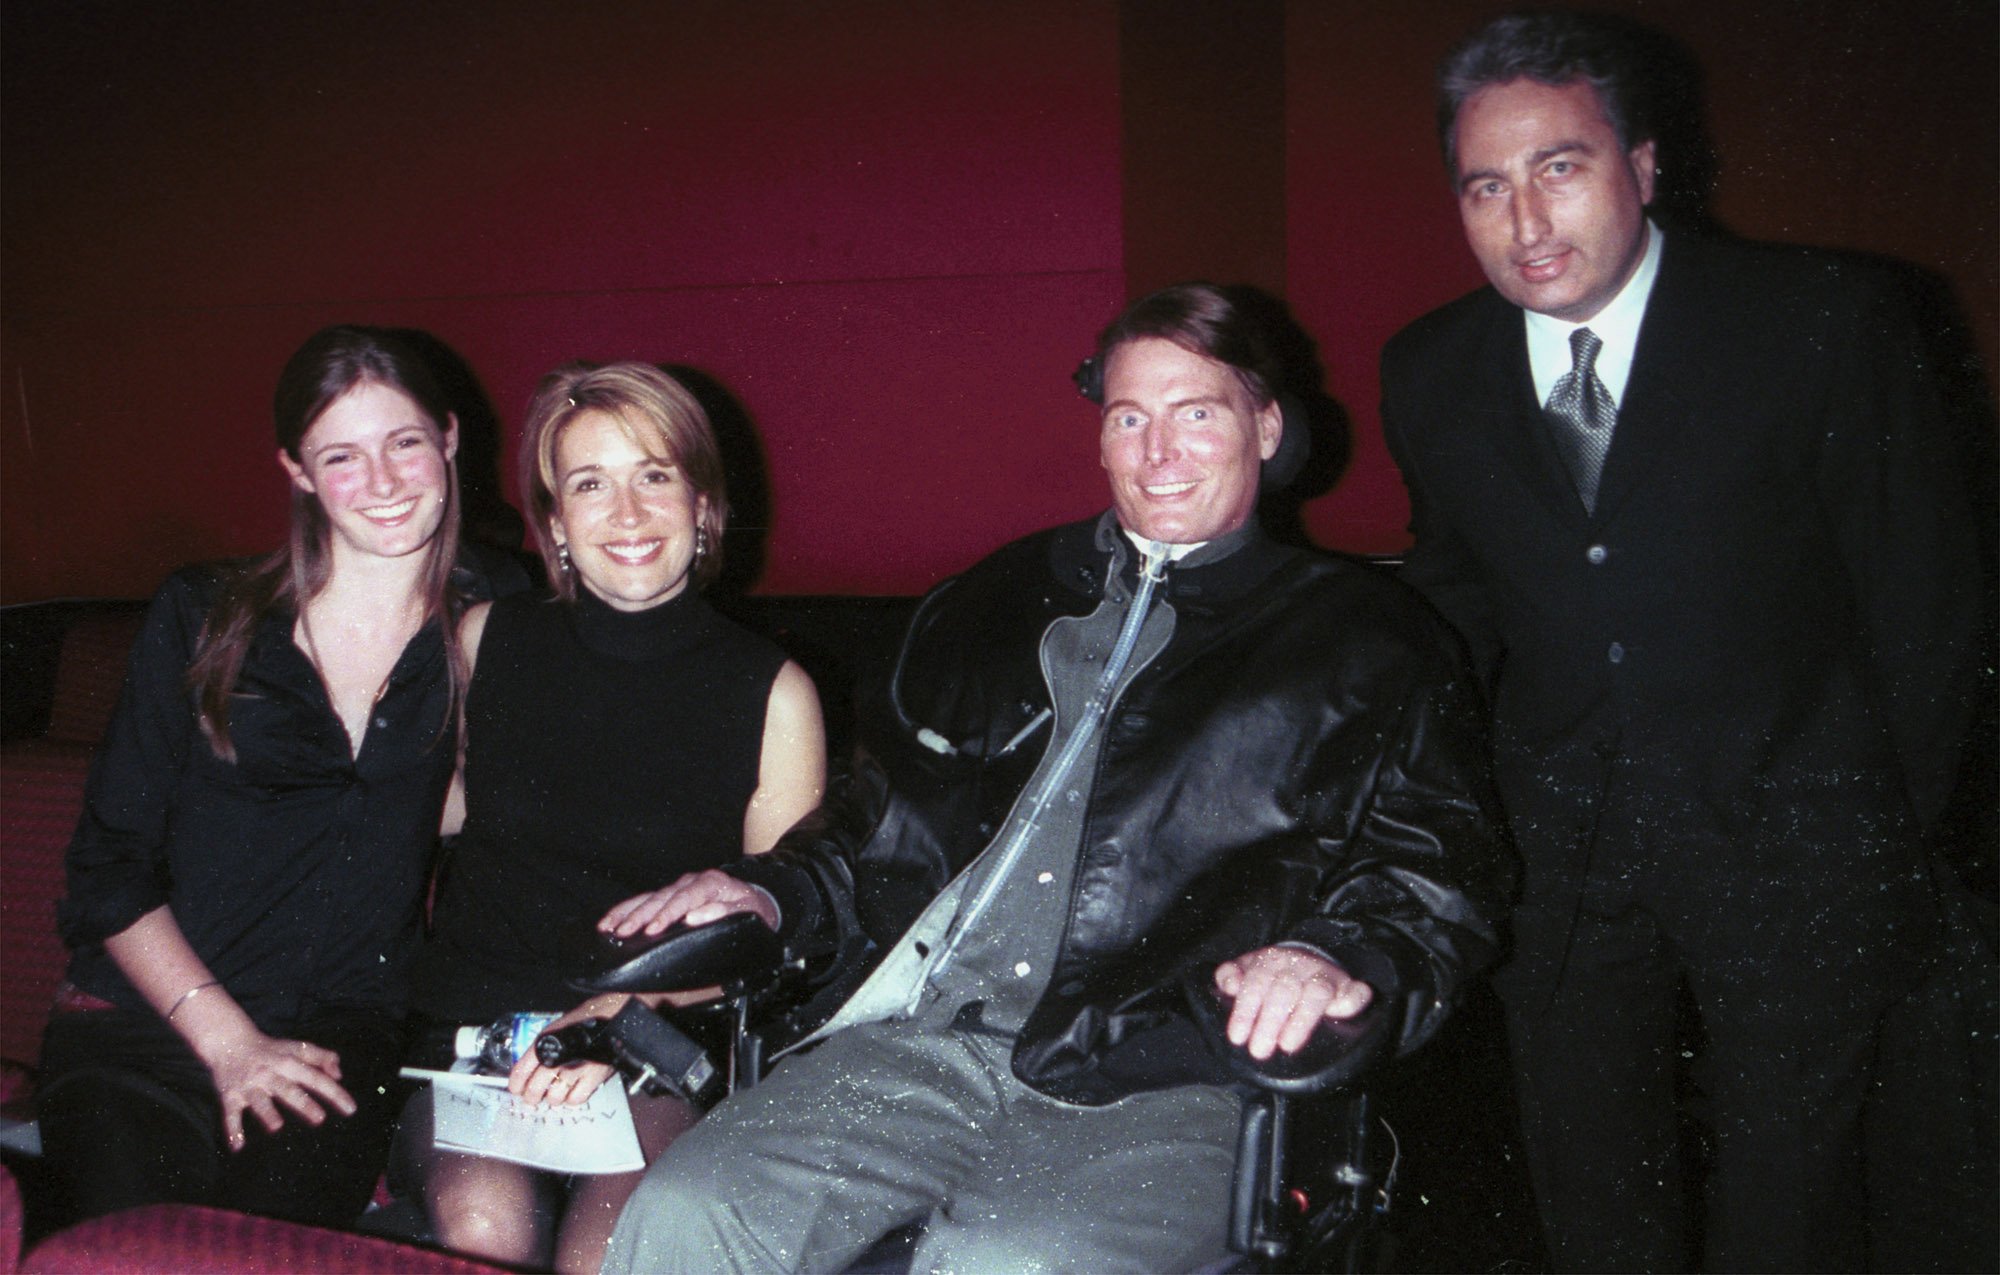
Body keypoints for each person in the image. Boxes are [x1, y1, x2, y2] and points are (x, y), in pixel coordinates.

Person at [599, 283, 1514, 1274]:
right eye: (1129, 418)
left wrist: (1335, 953)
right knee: (688, 1208)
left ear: (1264, 426)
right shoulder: (991, 604)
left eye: (1195, 414)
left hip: (1174, 1071)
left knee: (1006, 1261)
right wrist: (765, 887)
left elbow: (1438, 871)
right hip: (922, 1042)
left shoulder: (1366, 640)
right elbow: (872, 825)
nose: (1158, 451)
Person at [1378, 12, 1986, 1271]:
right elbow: (1454, 610)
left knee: (1794, 1187)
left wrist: (1885, 837)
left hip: (1799, 841)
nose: (1525, 221)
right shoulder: (1428, 368)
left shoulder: (1821, 318)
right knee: (1585, 1172)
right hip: (1556, 854)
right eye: (1484, 187)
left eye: (1561, 166)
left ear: (1642, 168)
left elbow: (1929, 609)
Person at [40, 325, 478, 1227]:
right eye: (342, 457)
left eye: (404, 442)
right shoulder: (207, 615)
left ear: (449, 438)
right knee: (132, 1247)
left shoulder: (492, 625)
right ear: (299, 472)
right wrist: (227, 1041)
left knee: (261, 1249)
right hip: (147, 1022)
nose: (386, 482)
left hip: (338, 1038)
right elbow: (105, 869)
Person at [396, 362, 826, 1274]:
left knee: (606, 1254)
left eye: (654, 476)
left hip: (653, 1033)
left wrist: (620, 1017)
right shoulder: (486, 639)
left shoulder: (774, 692)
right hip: (482, 1029)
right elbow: (416, 813)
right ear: (555, 523)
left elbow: (773, 946)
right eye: (590, 484)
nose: (626, 514)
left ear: (703, 506)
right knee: (482, 1220)